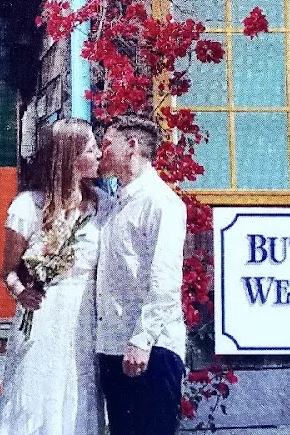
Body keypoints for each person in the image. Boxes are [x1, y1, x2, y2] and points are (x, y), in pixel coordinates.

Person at [0, 117, 105, 435]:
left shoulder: (103, 206)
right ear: (70, 157)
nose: (99, 154)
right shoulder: (27, 206)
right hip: (43, 316)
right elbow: (7, 272)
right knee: (38, 392)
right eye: (91, 148)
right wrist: (21, 292)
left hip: (84, 315)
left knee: (78, 389)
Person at [95, 114, 187, 435]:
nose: (101, 151)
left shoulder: (161, 203)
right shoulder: (114, 204)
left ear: (131, 146)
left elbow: (164, 281)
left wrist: (141, 341)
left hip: (150, 350)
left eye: (108, 144)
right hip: (113, 346)